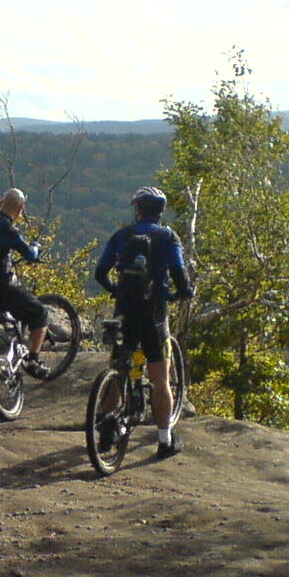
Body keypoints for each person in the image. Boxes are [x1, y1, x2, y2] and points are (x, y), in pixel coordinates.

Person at [93, 185, 194, 459]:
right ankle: (165, 441)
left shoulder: (122, 235)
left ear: (138, 209)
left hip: (125, 310)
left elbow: (100, 272)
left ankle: (105, 425)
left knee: (119, 366)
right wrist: (184, 292)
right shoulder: (168, 237)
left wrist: (116, 289)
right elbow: (179, 273)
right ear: (160, 211)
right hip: (154, 312)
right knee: (160, 379)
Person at [0, 188, 51, 407]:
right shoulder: (6, 228)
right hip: (1, 287)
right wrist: (36, 247)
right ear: (21, 208)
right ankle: (33, 359)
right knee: (40, 313)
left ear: (0, 201)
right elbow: (29, 255)